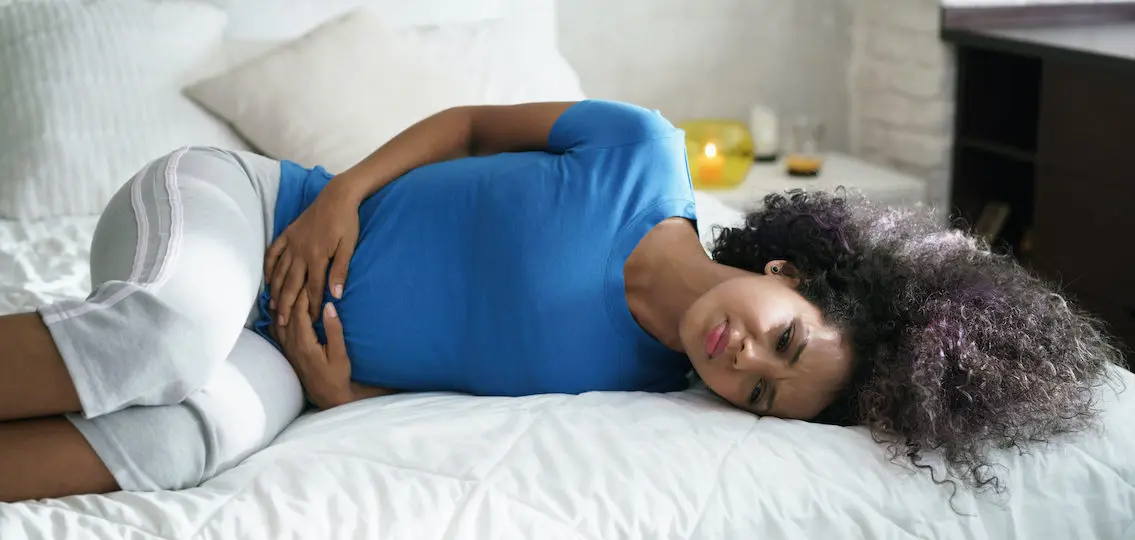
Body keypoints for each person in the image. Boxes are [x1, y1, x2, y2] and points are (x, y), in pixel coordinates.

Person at [0, 100, 1119, 503]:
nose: (742, 362)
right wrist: (337, 195)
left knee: (181, 439)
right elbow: (469, 126)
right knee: (162, 334)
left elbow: (458, 379)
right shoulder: (641, 153)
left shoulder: (633, 384)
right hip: (244, 211)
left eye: (761, 396)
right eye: (783, 342)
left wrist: (341, 398)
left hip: (279, 349)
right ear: (788, 278)